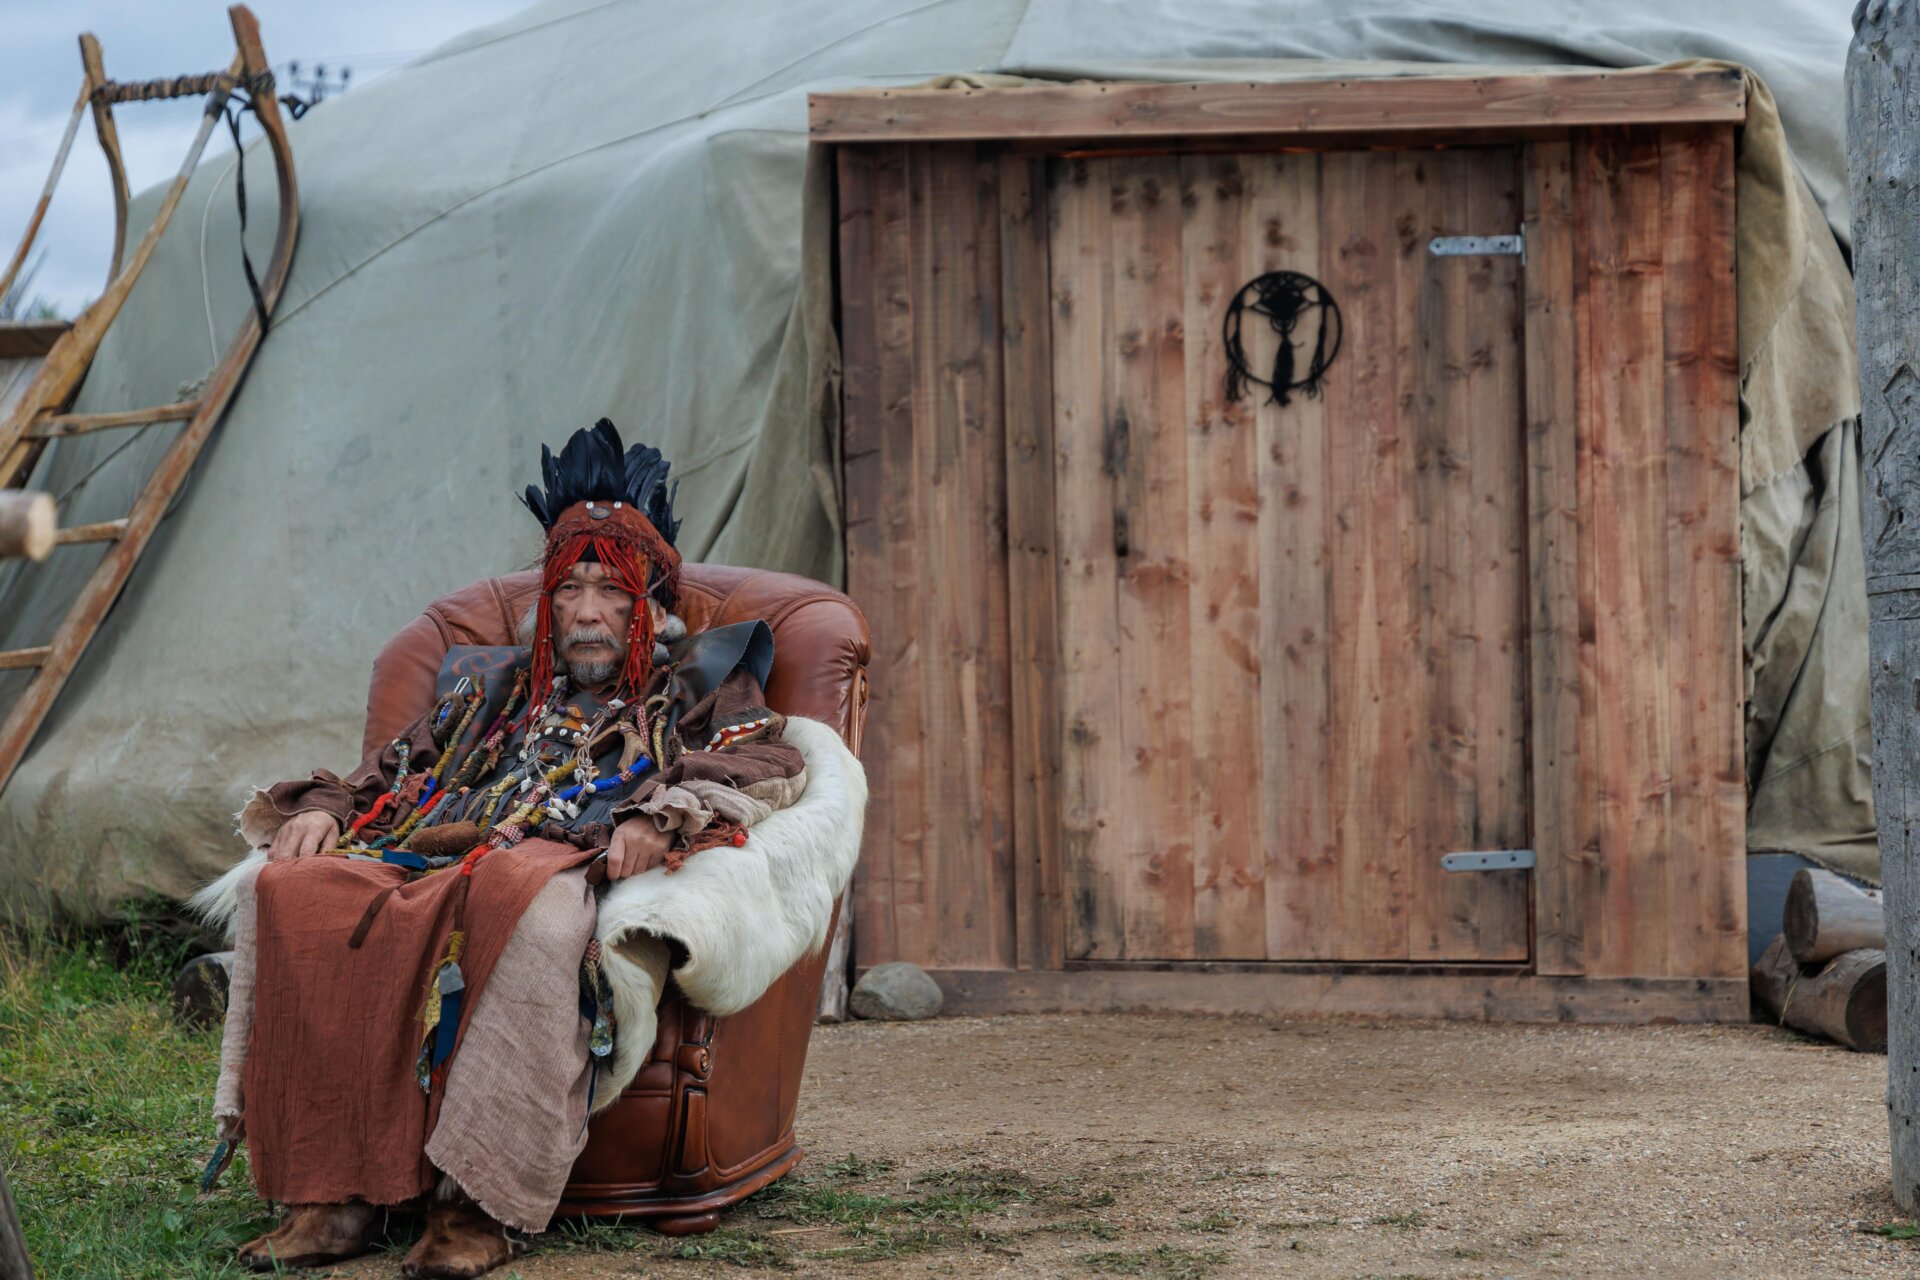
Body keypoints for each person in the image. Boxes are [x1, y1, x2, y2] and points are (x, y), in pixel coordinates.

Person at [206, 421, 811, 1277]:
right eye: (570, 590)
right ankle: (333, 1196)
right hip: (439, 851)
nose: (587, 612)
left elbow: (764, 760)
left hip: (558, 860)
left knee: (527, 907)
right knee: (296, 892)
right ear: (547, 605)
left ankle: (476, 1205)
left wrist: (659, 813)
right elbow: (390, 769)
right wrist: (328, 811)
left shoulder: (697, 681)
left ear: (648, 605)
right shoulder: (490, 687)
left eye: (612, 591)